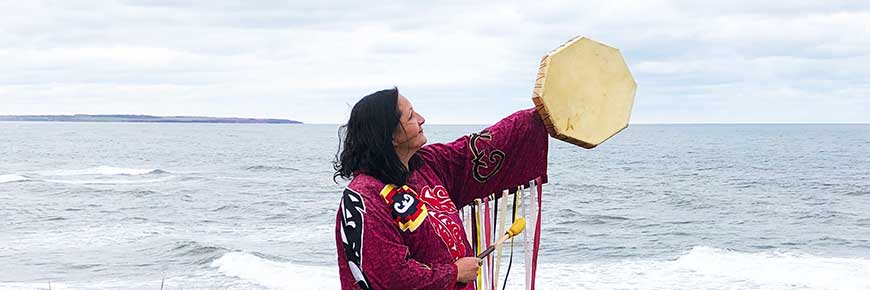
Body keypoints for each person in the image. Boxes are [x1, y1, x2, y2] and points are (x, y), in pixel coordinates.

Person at [333, 88, 548, 289]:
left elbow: (476, 150)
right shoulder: (363, 197)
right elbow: (389, 276)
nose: (421, 119)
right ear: (390, 136)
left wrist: (540, 117)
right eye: (410, 117)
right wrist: (454, 273)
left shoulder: (428, 164)